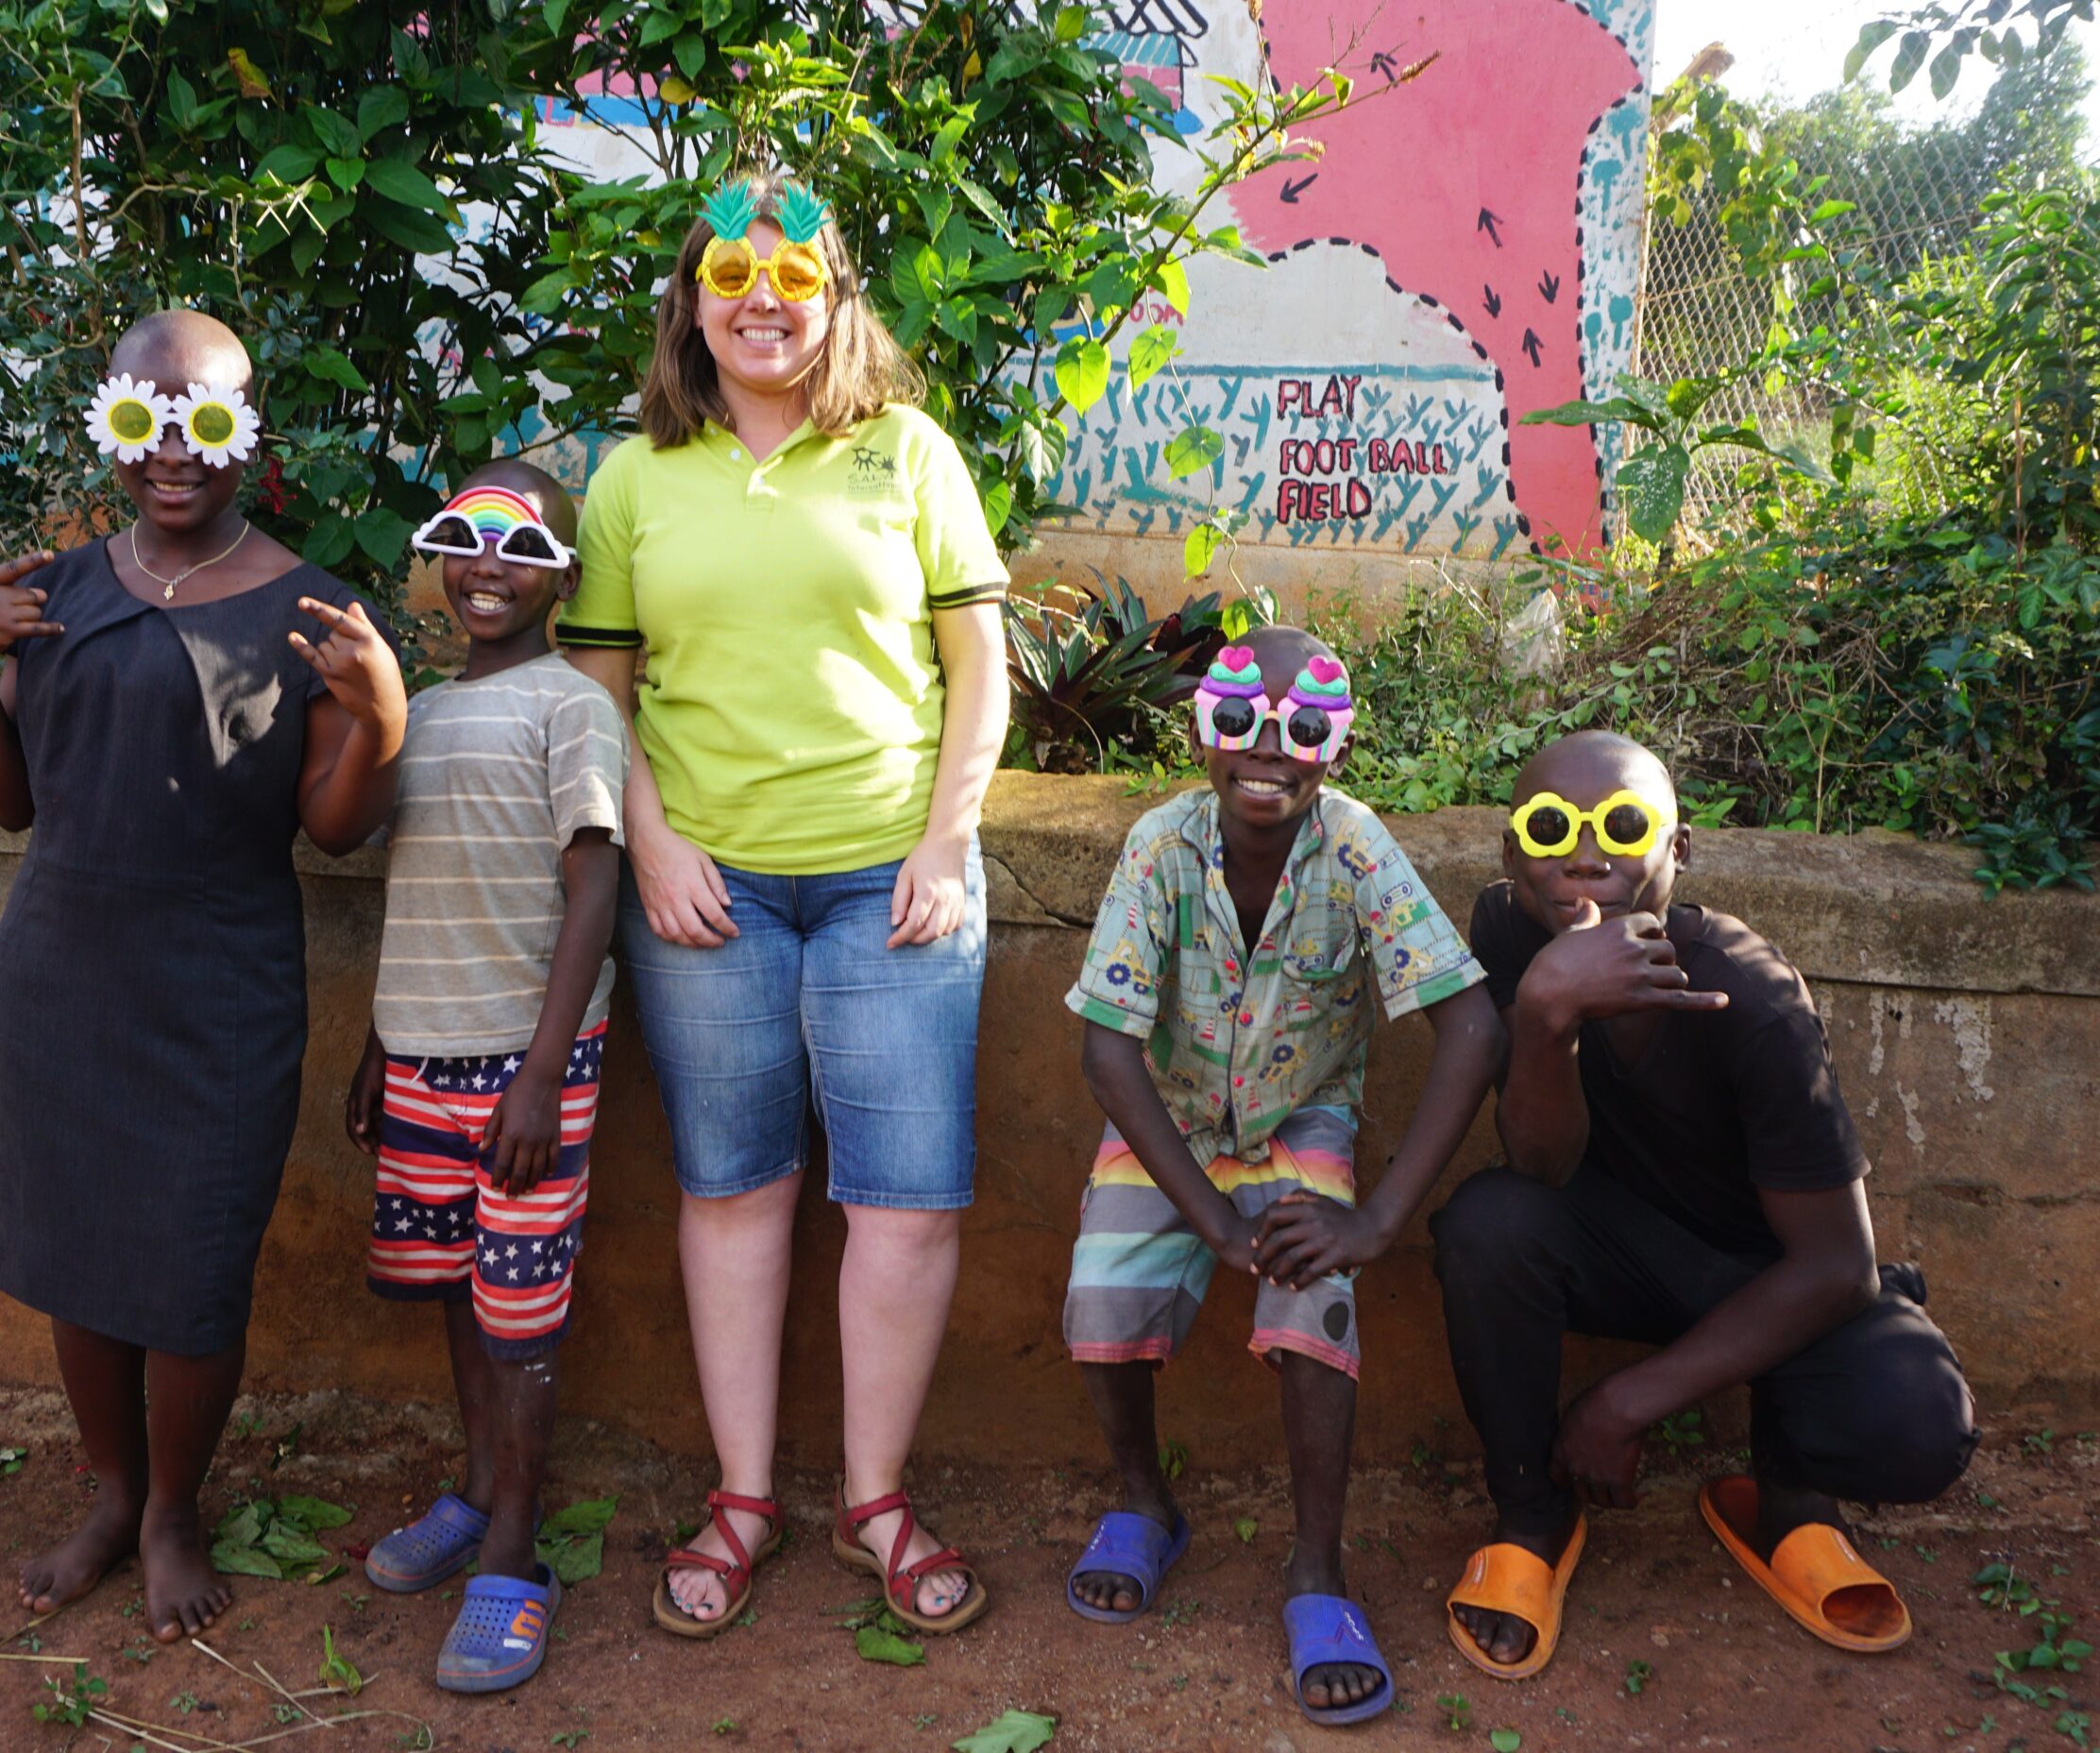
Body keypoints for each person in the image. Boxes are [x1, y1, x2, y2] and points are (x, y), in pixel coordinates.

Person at [559, 171, 1008, 1638]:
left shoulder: (909, 453)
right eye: (733, 277)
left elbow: (978, 676)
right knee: (733, 1185)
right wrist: (656, 837)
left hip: (893, 881)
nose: (764, 301)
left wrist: (946, 843)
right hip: (711, 890)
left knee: (907, 1201)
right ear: (692, 301)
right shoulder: (636, 478)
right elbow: (597, 695)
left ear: (836, 299)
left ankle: (873, 1501)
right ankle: (742, 1497)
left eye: (796, 279)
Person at [0, 310, 405, 1642]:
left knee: (195, 1264)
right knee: (80, 1255)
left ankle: (173, 1511)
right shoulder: (51, 592)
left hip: (220, 986)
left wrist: (385, 713)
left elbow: (334, 826)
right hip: (63, 974)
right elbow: (12, 808)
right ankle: (108, 1492)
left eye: (204, 419)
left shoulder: (311, 605)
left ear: (244, 435)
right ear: (111, 427)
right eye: (146, 418)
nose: (174, 452)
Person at [1433, 729, 1979, 1680]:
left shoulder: (1747, 994)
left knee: (1914, 1421)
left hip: (1775, 1275)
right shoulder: (1511, 930)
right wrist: (1543, 1016)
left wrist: (1621, 1401)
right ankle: (1529, 1514)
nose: (1584, 852)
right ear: (1514, 846)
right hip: (1620, 1247)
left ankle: (1790, 1498)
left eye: (1624, 823)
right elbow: (1540, 1166)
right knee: (1488, 1223)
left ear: (1677, 849)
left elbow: (1833, 1265)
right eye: (1550, 824)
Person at [1058, 626, 1500, 1726]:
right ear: (1202, 731)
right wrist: (1207, 1215)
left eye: (1302, 729)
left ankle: (1316, 1565)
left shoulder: (1355, 848)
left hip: (1300, 1115)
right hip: (1171, 1119)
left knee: (1317, 1295)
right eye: (1241, 722)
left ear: (1335, 747)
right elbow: (1107, 1051)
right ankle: (1145, 1499)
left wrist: (1382, 1216)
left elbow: (1472, 1026)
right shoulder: (1160, 844)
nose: (1270, 750)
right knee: (1099, 1294)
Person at [342, 460, 623, 1693]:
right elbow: (424, 890)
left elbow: (596, 890)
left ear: (562, 574)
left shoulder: (571, 709)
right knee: (460, 1291)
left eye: (517, 545)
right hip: (422, 1057)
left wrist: (540, 1074)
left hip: (525, 1068)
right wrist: (379, 1042)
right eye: (462, 537)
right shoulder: (421, 715)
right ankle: (472, 1490)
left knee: (519, 1314)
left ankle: (516, 1550)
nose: (486, 565)